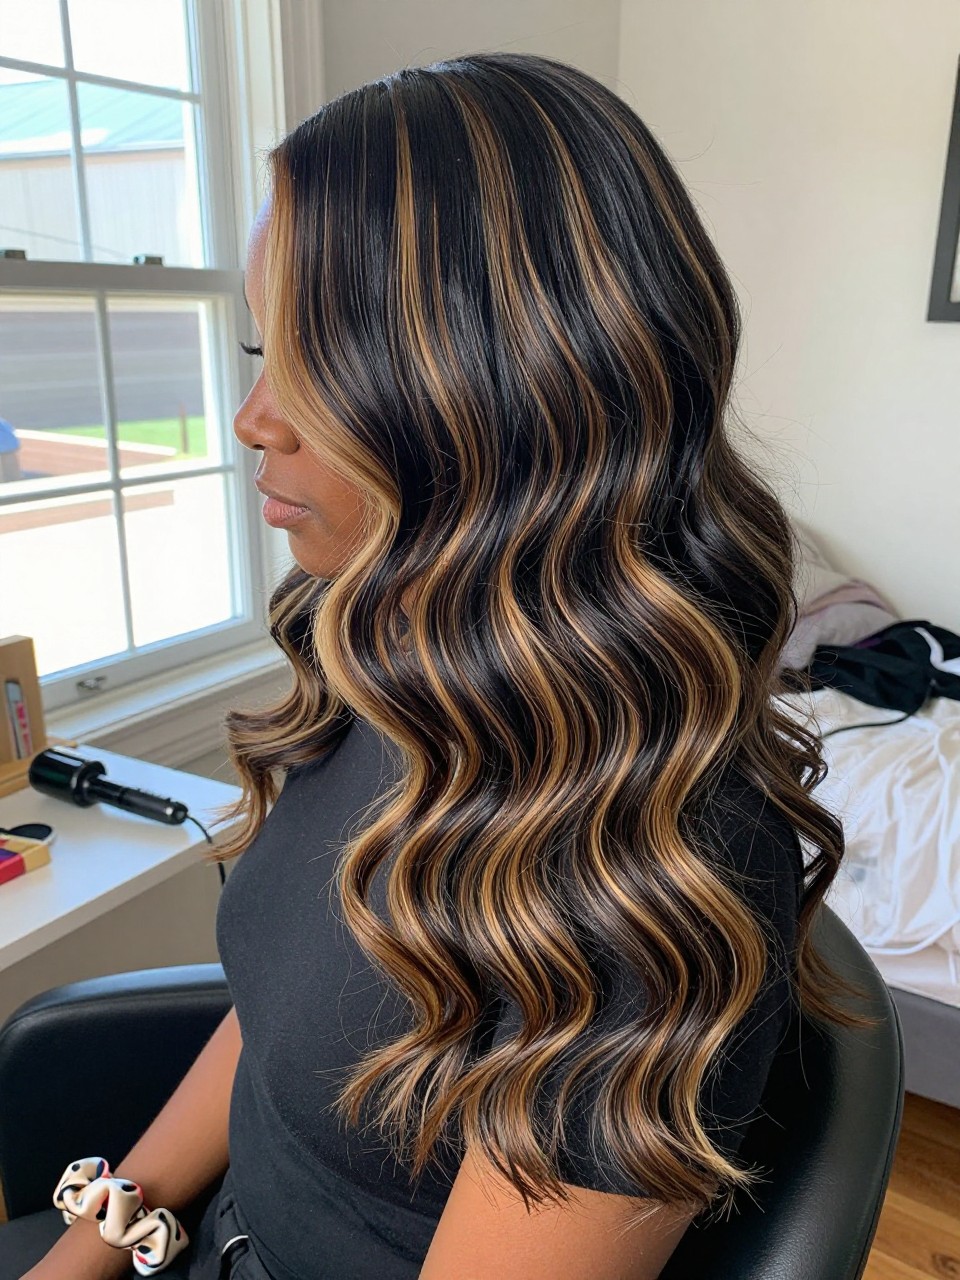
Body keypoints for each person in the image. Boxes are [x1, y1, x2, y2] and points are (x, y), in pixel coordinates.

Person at [0, 50, 869, 1280]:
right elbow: (287, 1014)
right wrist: (93, 1242)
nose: (254, 416)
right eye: (261, 350)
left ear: (503, 389)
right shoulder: (393, 664)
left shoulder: (641, 883)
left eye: (314, 357)